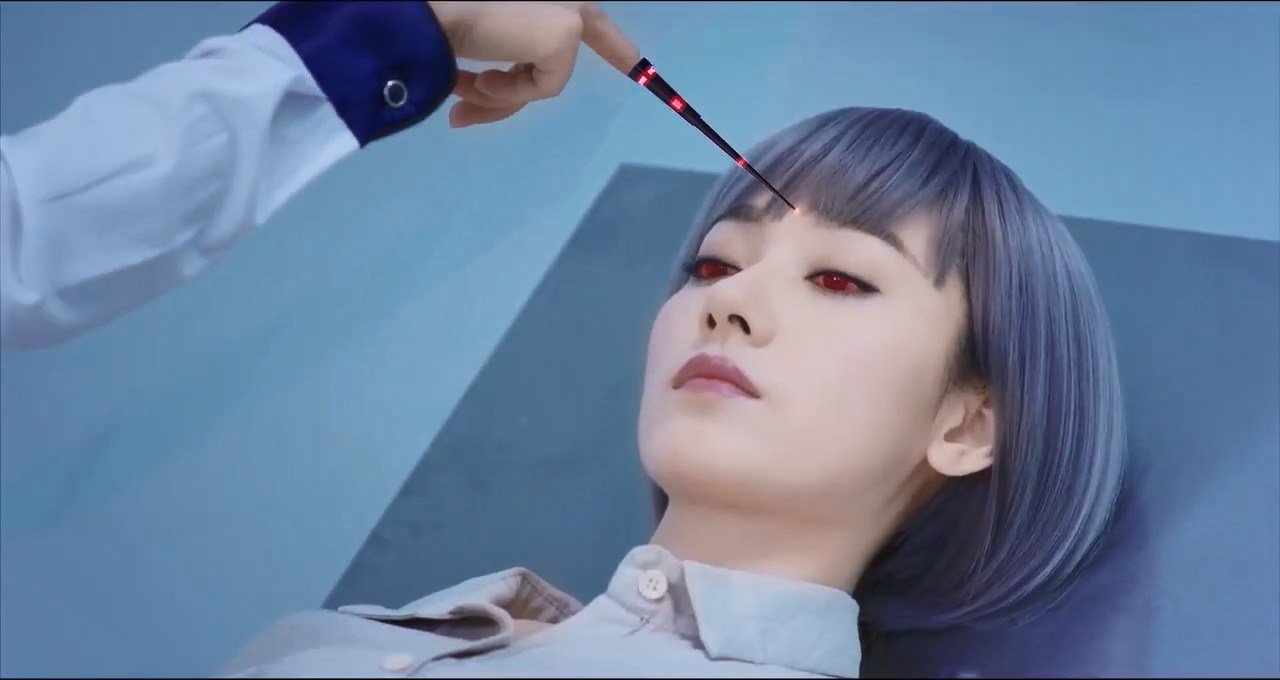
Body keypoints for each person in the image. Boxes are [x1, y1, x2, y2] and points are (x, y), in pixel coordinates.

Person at [1, 2, 1128, 678]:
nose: (727, 305)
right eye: (713, 264)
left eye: (840, 277)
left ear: (967, 422)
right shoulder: (351, 637)